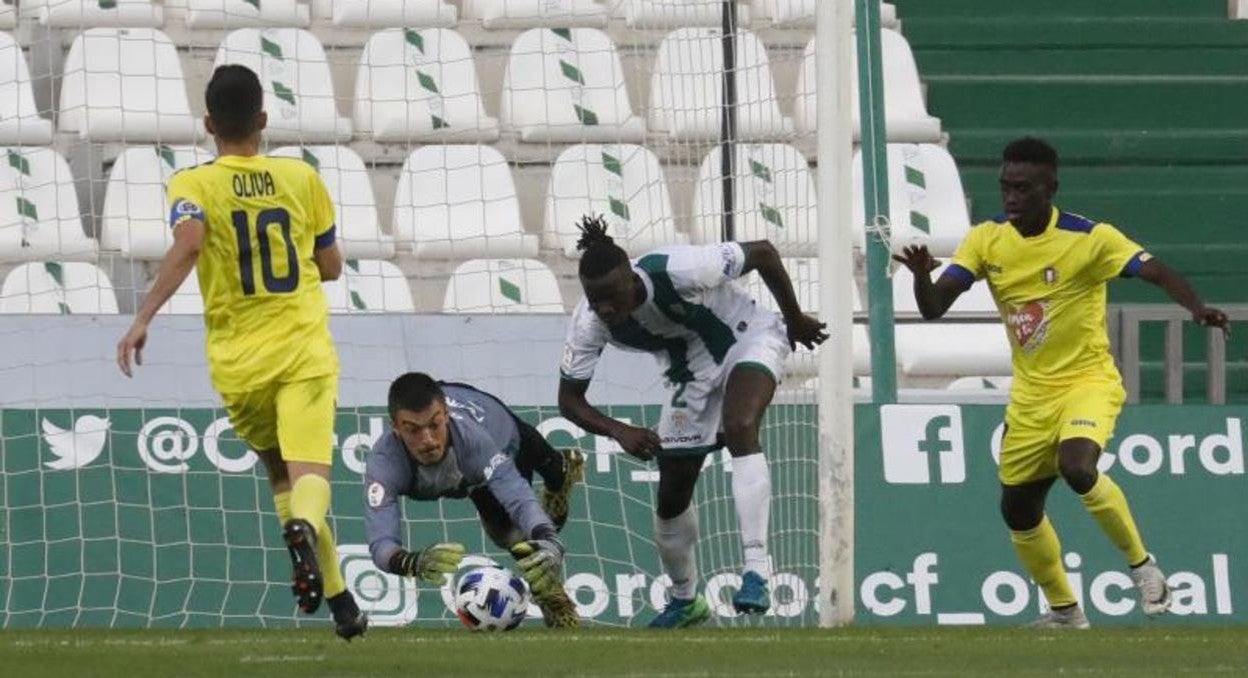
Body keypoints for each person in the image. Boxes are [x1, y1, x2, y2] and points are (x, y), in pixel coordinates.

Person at [893, 136, 1231, 628]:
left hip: (1086, 381)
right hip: (1031, 396)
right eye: (1006, 187)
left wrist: (1197, 308)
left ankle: (1143, 567)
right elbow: (933, 308)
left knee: (1077, 466)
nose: (1011, 198)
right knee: (1018, 508)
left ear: (1050, 188)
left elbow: (1155, 271)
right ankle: (1065, 611)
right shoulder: (987, 240)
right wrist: (923, 276)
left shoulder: (1089, 238)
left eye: (1023, 188)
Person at [115, 65, 367, 640]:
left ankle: (342, 602)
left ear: (208, 124)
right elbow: (330, 267)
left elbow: (190, 241)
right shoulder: (302, 178)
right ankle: (303, 531)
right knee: (310, 479)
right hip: (302, 349)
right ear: (262, 120)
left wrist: (144, 316)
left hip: (238, 362)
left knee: (278, 470)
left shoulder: (191, 185)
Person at [557, 215, 828, 628]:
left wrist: (793, 317)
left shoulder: (680, 267)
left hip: (747, 337)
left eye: (612, 296)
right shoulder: (589, 323)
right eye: (597, 301)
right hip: (690, 377)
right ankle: (685, 600)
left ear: (631, 277)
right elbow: (568, 399)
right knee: (671, 497)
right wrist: (619, 430)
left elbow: (764, 253)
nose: (606, 308)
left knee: (740, 426)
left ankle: (756, 570)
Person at [364, 372, 585, 628]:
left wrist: (551, 541)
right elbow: (381, 543)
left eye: (434, 425)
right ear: (396, 428)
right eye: (413, 430)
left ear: (445, 415)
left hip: (499, 430)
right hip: (470, 475)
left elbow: (519, 499)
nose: (427, 440)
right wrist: (408, 563)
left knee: (517, 534)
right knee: (505, 536)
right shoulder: (384, 465)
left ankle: (550, 595)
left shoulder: (475, 441)